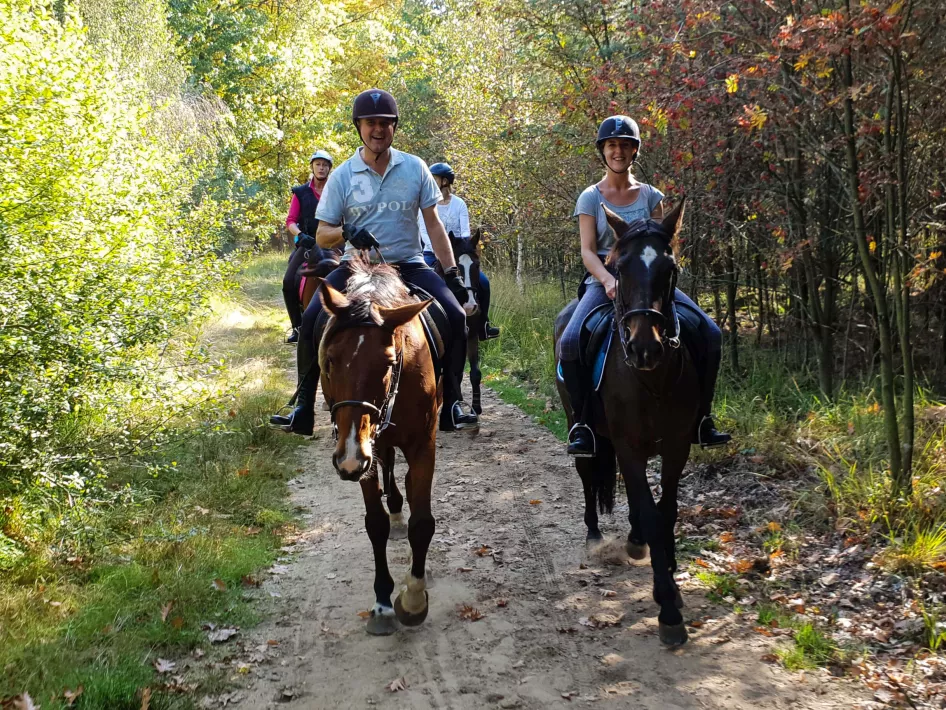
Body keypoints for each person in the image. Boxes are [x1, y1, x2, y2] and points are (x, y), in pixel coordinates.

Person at [269, 89, 478, 435]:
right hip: (355, 267)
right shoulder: (342, 176)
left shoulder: (415, 168)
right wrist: (347, 232)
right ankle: (303, 404)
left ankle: (453, 401)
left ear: (394, 127)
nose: (378, 130)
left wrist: (453, 272)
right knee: (310, 319)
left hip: (408, 263)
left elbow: (434, 225)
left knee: (455, 315)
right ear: (359, 127)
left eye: (385, 123)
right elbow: (323, 235)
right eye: (371, 124)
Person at [557, 115, 731, 456]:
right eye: (612, 146)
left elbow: (661, 244)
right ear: (603, 152)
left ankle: (702, 418)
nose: (618, 151)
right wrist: (608, 281)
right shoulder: (590, 198)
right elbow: (587, 251)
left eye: (625, 145)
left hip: (649, 282)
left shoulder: (651, 196)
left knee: (710, 333)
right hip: (605, 280)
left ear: (634, 151)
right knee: (570, 340)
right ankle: (582, 424)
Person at [417, 162, 500, 340]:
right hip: (432, 254)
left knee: (483, 283)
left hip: (459, 255)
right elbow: (425, 233)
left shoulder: (459, 204)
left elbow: (465, 233)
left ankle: (483, 325)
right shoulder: (426, 204)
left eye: (435, 178)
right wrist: (441, 252)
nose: (431, 181)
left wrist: (456, 254)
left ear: (445, 181)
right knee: (421, 282)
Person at [282, 150, 333, 343]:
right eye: (318, 164)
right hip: (309, 243)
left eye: (325, 165)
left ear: (329, 168)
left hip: (333, 241)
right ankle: (298, 326)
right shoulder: (300, 192)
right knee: (288, 282)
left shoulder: (335, 190)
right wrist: (300, 235)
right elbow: (291, 221)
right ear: (312, 166)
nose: (321, 168)